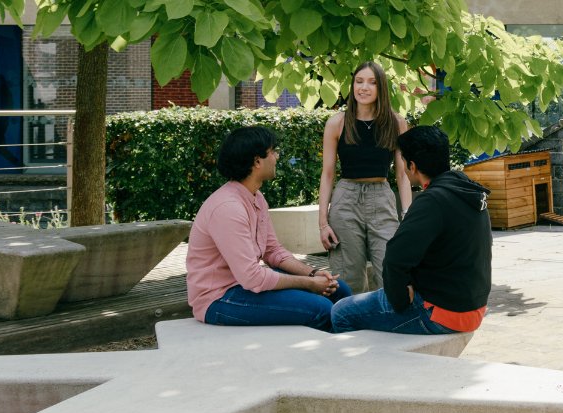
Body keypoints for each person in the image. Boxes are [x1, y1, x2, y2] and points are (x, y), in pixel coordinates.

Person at [331, 126, 493, 334]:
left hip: (441, 313)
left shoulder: (432, 201)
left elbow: (395, 259)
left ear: (412, 166)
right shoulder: (467, 190)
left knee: (341, 312)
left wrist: (398, 300)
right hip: (472, 308)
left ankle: (372, 367)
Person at [188, 126, 351, 331]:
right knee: (321, 309)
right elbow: (252, 277)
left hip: (243, 286)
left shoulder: (256, 197)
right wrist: (308, 284)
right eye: (273, 151)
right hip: (219, 298)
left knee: (339, 291)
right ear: (257, 162)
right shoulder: (228, 208)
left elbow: (272, 251)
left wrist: (313, 273)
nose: (277, 156)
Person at [319, 61, 413, 292]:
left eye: (371, 82)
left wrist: (408, 215)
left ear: (381, 87)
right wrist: (323, 223)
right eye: (359, 81)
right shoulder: (337, 123)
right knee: (348, 275)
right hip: (346, 200)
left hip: (382, 198)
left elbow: (402, 175)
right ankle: (348, 323)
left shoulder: (397, 123)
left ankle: (387, 322)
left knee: (390, 269)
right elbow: (328, 174)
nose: (364, 87)